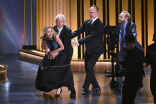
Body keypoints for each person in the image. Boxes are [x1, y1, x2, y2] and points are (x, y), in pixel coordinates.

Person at [71, 5, 104, 95]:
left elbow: (91, 36)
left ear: (97, 13)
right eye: (90, 12)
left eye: (93, 12)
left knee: (89, 67)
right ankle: (96, 86)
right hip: (89, 49)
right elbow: (78, 31)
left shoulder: (100, 24)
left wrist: (78, 42)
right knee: (88, 68)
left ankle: (85, 88)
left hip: (97, 50)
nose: (91, 14)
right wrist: (67, 37)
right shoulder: (87, 22)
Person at [35, 25, 75, 98]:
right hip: (50, 54)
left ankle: (59, 89)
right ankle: (47, 87)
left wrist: (54, 52)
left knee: (56, 71)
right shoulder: (44, 38)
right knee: (44, 69)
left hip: (60, 54)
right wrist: (46, 48)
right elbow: (42, 46)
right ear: (45, 33)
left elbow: (62, 47)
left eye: (51, 31)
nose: (50, 33)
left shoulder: (56, 37)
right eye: (48, 32)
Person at [116, 11, 144, 91]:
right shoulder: (118, 25)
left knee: (136, 66)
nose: (119, 18)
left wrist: (132, 35)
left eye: (121, 17)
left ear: (126, 18)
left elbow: (134, 33)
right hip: (123, 49)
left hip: (131, 49)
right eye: (119, 16)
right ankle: (119, 87)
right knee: (119, 65)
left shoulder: (131, 25)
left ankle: (139, 84)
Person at [114, 34, 144, 104]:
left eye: (126, 43)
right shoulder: (130, 52)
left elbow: (128, 64)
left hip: (134, 80)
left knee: (129, 100)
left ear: (128, 42)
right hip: (129, 79)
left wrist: (119, 61)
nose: (126, 45)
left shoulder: (137, 53)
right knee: (125, 100)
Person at [52, 14, 76, 97]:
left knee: (66, 69)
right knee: (57, 69)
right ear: (56, 22)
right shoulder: (52, 29)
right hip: (56, 51)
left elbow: (65, 46)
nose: (60, 23)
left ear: (64, 22)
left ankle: (72, 89)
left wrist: (57, 53)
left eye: (62, 21)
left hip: (66, 51)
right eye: (58, 21)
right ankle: (58, 88)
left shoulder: (67, 30)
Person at [143, 33, 156, 104]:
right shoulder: (150, 48)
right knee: (153, 90)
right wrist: (144, 64)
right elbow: (147, 60)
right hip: (154, 73)